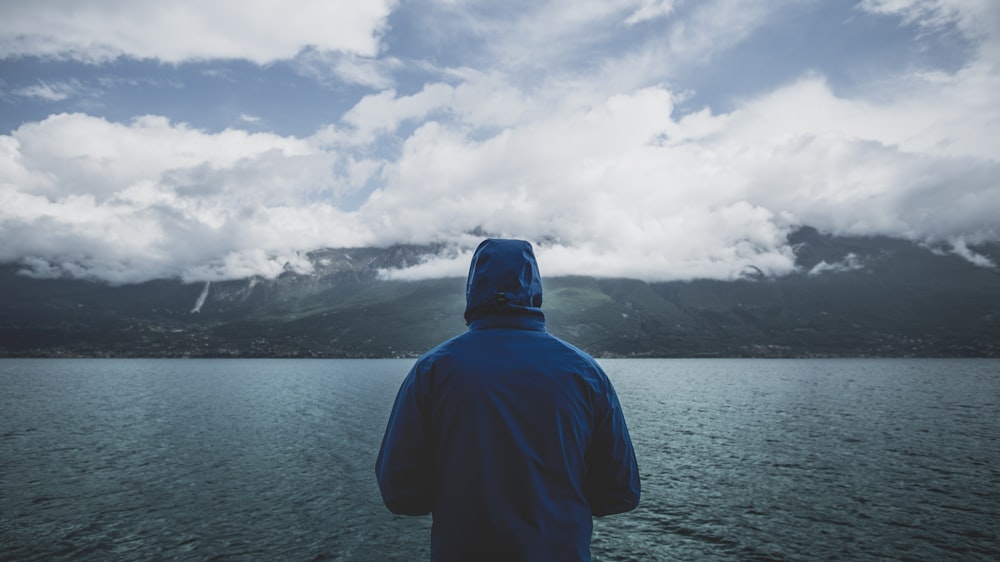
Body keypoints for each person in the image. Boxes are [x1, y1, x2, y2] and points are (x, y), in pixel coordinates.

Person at [375, 238, 640, 561]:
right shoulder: (585, 373)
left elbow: (400, 494)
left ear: (473, 288)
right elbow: (620, 493)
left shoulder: (433, 370)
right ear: (534, 289)